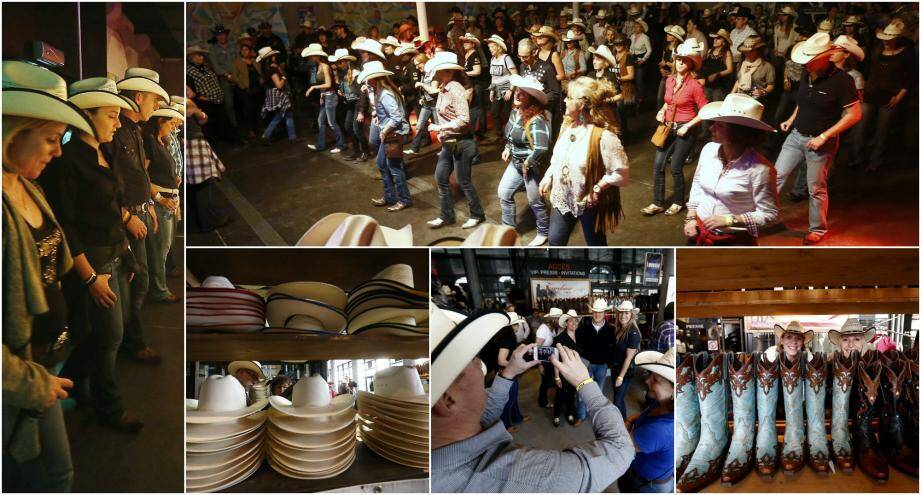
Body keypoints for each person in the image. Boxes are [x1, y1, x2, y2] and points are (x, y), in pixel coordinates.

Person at [41, 75, 151, 434]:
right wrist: (89, 277)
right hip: (93, 261)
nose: (117, 123)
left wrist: (130, 257)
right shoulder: (67, 162)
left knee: (93, 334)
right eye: (111, 115)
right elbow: (66, 226)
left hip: (117, 252)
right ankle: (110, 408)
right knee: (110, 337)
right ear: (86, 115)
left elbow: (115, 206)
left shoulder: (106, 152)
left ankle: (80, 387)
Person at [431, 308, 634, 492]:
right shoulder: (526, 477)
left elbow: (482, 417)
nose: (481, 366)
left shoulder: (443, 451)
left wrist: (508, 372)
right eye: (473, 361)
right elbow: (621, 449)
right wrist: (584, 382)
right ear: (447, 400)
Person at [2, 60, 85, 492]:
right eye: (52, 138)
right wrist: (32, 384)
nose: (58, 151)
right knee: (51, 475)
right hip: (21, 379)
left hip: (44, 359)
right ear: (13, 132)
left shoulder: (25, 183)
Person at [774, 33, 861, 245]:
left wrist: (824, 136)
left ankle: (818, 230)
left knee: (816, 189)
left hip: (820, 143)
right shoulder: (807, 73)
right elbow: (803, 101)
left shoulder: (843, 81)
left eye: (810, 59)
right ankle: (759, 218)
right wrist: (791, 119)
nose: (806, 64)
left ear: (826, 57)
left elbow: (854, 114)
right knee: (774, 177)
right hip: (796, 136)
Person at [108, 68, 168, 366]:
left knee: (140, 280)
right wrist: (128, 214)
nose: (157, 107)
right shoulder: (118, 133)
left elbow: (139, 173)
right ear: (140, 96)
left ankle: (133, 337)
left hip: (141, 212)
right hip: (128, 218)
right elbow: (112, 182)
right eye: (155, 100)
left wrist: (149, 205)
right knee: (136, 280)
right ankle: (133, 342)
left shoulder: (135, 131)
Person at [540, 77, 628, 246]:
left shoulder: (604, 137)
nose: (564, 100)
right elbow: (558, 157)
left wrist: (598, 188)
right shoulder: (567, 127)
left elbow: (621, 173)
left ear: (582, 104)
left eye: (569, 97)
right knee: (555, 241)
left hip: (588, 202)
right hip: (563, 198)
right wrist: (548, 176)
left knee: (595, 244)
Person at [684, 94, 779, 246]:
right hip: (699, 232)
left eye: (720, 125)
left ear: (738, 133)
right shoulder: (708, 150)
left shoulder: (760, 169)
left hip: (732, 241)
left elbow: (769, 214)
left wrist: (730, 219)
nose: (711, 127)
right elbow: (697, 184)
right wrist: (690, 218)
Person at [642, 39, 707, 217]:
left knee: (676, 167)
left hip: (685, 129)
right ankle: (657, 203)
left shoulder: (695, 86)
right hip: (668, 127)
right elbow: (667, 102)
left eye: (685, 60)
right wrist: (662, 111)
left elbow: (704, 111)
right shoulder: (670, 81)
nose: (680, 62)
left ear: (691, 64)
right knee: (658, 165)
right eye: (679, 59)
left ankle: (678, 202)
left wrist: (688, 126)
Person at [426, 52, 484, 229]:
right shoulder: (444, 87)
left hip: (461, 142)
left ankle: (477, 214)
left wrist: (439, 128)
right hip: (449, 143)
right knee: (441, 177)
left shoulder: (456, 88)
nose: (435, 74)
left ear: (448, 71)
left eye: (438, 71)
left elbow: (464, 119)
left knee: (463, 180)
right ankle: (447, 216)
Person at [498, 75, 551, 247]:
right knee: (504, 193)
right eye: (517, 90)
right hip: (515, 163)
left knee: (535, 201)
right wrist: (507, 148)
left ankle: (544, 232)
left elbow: (541, 148)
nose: (517, 94)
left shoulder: (537, 119)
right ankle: (508, 230)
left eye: (523, 93)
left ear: (532, 99)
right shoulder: (515, 112)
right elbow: (511, 135)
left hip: (530, 167)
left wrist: (528, 163)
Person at [854, 21, 914, 172]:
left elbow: (911, 78)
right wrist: (862, 89)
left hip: (889, 97)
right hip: (870, 95)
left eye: (890, 38)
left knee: (882, 131)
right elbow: (867, 71)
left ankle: (875, 162)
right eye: (885, 38)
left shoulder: (905, 54)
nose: (886, 41)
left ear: (897, 38)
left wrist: (899, 96)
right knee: (861, 128)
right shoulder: (876, 51)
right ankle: (856, 159)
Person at [618, 348, 676, 493]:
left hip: (644, 483)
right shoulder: (665, 404)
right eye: (651, 375)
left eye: (655, 380)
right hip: (649, 477)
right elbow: (639, 415)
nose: (647, 381)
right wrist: (630, 422)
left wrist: (627, 423)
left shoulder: (662, 429)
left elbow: (621, 445)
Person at [360, 61, 413, 212]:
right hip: (390, 132)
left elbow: (396, 117)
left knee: (394, 167)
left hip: (393, 134)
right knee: (383, 164)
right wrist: (380, 118)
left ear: (373, 78)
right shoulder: (380, 91)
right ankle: (390, 196)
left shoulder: (385, 93)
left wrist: (384, 131)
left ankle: (404, 199)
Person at [143, 107, 183, 304]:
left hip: (170, 199)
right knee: (160, 247)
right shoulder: (150, 143)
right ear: (160, 122)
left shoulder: (162, 142)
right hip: (162, 201)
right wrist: (158, 198)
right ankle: (158, 289)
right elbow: (143, 174)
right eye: (170, 123)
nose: (173, 126)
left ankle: (159, 285)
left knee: (165, 246)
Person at [184, 88, 230, 233]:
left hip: (188, 144)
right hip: (194, 144)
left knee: (195, 185)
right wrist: (198, 112)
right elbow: (203, 119)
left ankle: (202, 220)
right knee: (203, 183)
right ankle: (209, 221)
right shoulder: (186, 102)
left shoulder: (180, 103)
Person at [574, 298, 614, 422]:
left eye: (600, 312)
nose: (597, 314)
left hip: (602, 366)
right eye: (595, 312)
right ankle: (581, 415)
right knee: (582, 391)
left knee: (598, 392)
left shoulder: (610, 329)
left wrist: (608, 362)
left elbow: (612, 347)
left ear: (604, 313)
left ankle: (595, 415)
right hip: (587, 365)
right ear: (592, 313)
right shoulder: (584, 328)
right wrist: (584, 360)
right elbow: (578, 345)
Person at [303, 44, 345, 153]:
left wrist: (313, 87)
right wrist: (322, 94)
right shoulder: (319, 66)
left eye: (312, 55)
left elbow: (328, 83)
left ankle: (341, 144)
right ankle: (320, 145)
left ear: (317, 55)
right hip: (326, 96)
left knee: (331, 122)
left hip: (331, 97)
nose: (311, 57)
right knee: (320, 121)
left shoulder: (325, 66)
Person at [517, 38, 562, 143]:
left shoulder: (547, 68)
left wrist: (541, 100)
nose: (523, 59)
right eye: (520, 56)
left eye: (525, 56)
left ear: (534, 52)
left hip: (544, 110)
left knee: (543, 140)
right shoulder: (522, 66)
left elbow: (555, 92)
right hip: (527, 109)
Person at [497, 314, 530, 431]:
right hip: (506, 374)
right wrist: (516, 365)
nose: (519, 327)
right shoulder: (506, 339)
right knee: (509, 400)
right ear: (513, 325)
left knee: (514, 397)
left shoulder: (509, 337)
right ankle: (506, 425)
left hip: (510, 372)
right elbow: (501, 360)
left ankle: (517, 417)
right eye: (518, 324)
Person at [610, 301, 641, 418]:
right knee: (619, 398)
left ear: (631, 315)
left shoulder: (633, 332)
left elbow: (628, 358)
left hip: (625, 372)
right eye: (621, 313)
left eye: (626, 313)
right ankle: (624, 422)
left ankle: (620, 426)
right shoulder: (620, 329)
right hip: (616, 368)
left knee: (616, 401)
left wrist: (621, 376)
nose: (623, 316)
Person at [208, 25, 240, 136]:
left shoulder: (234, 46)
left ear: (226, 34)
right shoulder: (213, 49)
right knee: (229, 104)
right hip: (224, 78)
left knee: (242, 100)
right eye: (218, 35)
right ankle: (234, 126)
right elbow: (215, 66)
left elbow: (238, 60)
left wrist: (236, 74)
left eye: (222, 34)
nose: (221, 37)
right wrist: (226, 74)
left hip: (238, 76)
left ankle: (246, 124)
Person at [485, 35, 518, 143]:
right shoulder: (492, 59)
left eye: (492, 47)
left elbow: (515, 74)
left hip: (507, 89)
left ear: (498, 47)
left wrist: (510, 90)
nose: (490, 49)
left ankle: (508, 134)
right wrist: (491, 90)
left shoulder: (506, 58)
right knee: (494, 112)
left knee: (506, 113)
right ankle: (499, 134)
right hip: (497, 90)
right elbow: (493, 77)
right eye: (489, 47)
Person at [552, 313, 581, 426]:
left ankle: (570, 413)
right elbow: (555, 359)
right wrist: (557, 376)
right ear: (566, 323)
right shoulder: (559, 339)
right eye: (571, 320)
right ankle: (556, 416)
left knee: (571, 394)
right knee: (560, 394)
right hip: (563, 372)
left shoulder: (579, 336)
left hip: (575, 373)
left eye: (576, 321)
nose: (574, 323)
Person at [231, 44, 263, 140]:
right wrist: (242, 85)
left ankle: (260, 126)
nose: (245, 51)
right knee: (248, 109)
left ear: (250, 51)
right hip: (246, 89)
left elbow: (259, 72)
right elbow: (234, 76)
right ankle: (251, 130)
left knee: (259, 107)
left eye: (247, 50)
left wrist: (261, 79)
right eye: (243, 50)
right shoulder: (237, 62)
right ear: (240, 52)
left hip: (257, 88)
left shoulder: (254, 61)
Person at [407, 53, 436, 155]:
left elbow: (433, 90)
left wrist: (421, 84)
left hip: (435, 104)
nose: (416, 67)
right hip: (427, 104)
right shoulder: (423, 73)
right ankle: (415, 148)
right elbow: (426, 91)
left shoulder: (433, 72)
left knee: (439, 128)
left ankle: (447, 150)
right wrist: (422, 98)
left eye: (417, 64)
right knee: (419, 126)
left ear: (424, 62)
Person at [731, 36, 775, 102]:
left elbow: (771, 85)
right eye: (745, 51)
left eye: (751, 51)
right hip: (740, 97)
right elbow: (738, 81)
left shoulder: (767, 66)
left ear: (758, 51)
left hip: (756, 100)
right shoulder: (741, 64)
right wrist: (731, 95)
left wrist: (762, 92)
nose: (747, 53)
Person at [610, 35, 637, 142]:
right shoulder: (614, 55)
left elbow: (631, 75)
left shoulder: (628, 56)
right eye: (616, 44)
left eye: (620, 44)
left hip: (624, 88)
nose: (618, 46)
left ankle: (625, 137)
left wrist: (619, 78)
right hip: (614, 87)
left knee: (621, 112)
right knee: (614, 113)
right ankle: (618, 135)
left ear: (625, 45)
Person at [699, 29, 734, 103]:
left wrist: (717, 74)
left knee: (716, 106)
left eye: (718, 38)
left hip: (719, 86)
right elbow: (706, 66)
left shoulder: (726, 53)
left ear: (724, 42)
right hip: (708, 85)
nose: (715, 40)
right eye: (715, 38)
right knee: (706, 105)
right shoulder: (710, 51)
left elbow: (730, 69)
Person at [534, 308, 559, 409]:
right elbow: (537, 347)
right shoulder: (543, 328)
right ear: (552, 318)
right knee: (545, 382)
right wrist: (540, 365)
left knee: (548, 381)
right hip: (544, 360)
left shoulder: (551, 328)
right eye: (557, 318)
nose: (559, 320)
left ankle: (545, 399)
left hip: (549, 358)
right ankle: (543, 402)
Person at [657, 25, 685, 109]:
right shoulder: (666, 46)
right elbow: (662, 60)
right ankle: (661, 118)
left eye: (670, 35)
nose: (667, 36)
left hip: (673, 76)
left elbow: (678, 64)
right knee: (659, 98)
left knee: (671, 99)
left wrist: (666, 63)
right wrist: (661, 69)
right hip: (665, 75)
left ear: (675, 38)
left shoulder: (678, 49)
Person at [629, 20, 652, 107]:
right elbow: (631, 48)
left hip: (640, 59)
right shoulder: (632, 36)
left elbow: (649, 50)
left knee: (639, 79)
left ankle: (641, 98)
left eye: (637, 26)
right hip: (632, 59)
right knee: (633, 78)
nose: (635, 28)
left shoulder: (645, 37)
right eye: (634, 26)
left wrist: (644, 59)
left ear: (641, 28)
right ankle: (634, 97)